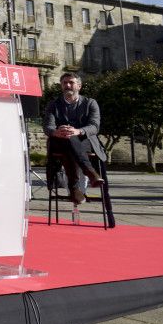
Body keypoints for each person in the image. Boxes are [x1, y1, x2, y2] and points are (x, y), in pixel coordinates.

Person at [42, 72, 106, 222]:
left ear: (79, 85)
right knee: (67, 139)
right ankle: (90, 172)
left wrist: (78, 131)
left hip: (85, 141)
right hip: (59, 140)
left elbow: (94, 126)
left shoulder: (90, 103)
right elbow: (47, 126)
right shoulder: (54, 104)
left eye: (71, 82)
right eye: (65, 83)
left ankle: (74, 188)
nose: (68, 85)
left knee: (70, 140)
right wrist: (56, 132)